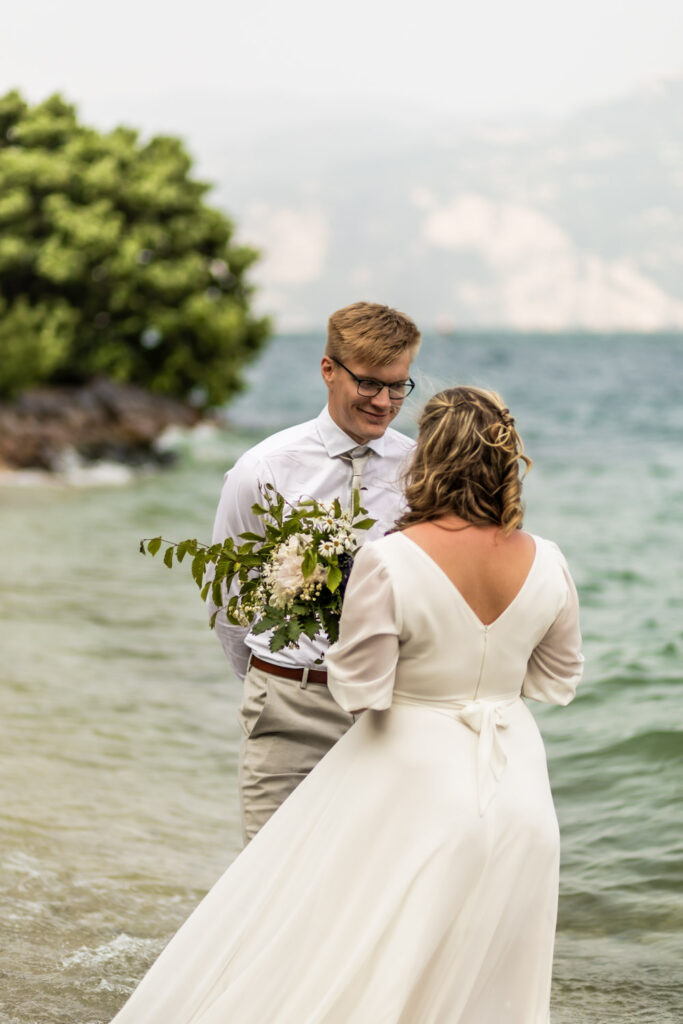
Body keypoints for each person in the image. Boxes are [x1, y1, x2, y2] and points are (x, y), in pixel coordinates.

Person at [110, 386, 583, 1024]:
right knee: (483, 970)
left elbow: (360, 688)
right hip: (520, 792)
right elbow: (556, 679)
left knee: (345, 943)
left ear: (430, 460)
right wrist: (487, 666)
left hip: (416, 781)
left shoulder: (389, 559)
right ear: (506, 463)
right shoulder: (549, 562)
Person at [210, 301, 421, 841]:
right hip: (288, 708)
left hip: (387, 714)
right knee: (266, 881)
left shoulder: (421, 469)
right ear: (329, 369)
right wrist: (271, 676)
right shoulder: (263, 468)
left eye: (399, 386)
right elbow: (229, 597)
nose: (385, 402)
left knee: (370, 888)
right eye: (371, 383)